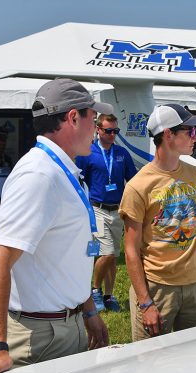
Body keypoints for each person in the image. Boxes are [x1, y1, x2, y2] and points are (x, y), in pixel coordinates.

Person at [0, 78, 111, 373]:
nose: (96, 128)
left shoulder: (63, 171)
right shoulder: (39, 175)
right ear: (73, 117)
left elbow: (66, 255)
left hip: (65, 325)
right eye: (93, 118)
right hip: (42, 336)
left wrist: (88, 310)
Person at [120, 104, 196, 341]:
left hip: (195, 284)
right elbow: (130, 250)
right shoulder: (138, 186)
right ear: (168, 134)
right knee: (152, 359)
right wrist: (145, 302)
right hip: (157, 289)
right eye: (190, 131)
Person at [76, 114, 137, 313]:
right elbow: (78, 180)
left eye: (115, 131)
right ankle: (95, 290)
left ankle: (109, 296)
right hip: (97, 208)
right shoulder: (88, 152)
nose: (112, 135)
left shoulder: (121, 153)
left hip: (118, 210)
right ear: (98, 130)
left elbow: (133, 180)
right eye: (108, 131)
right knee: (107, 252)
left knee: (113, 256)